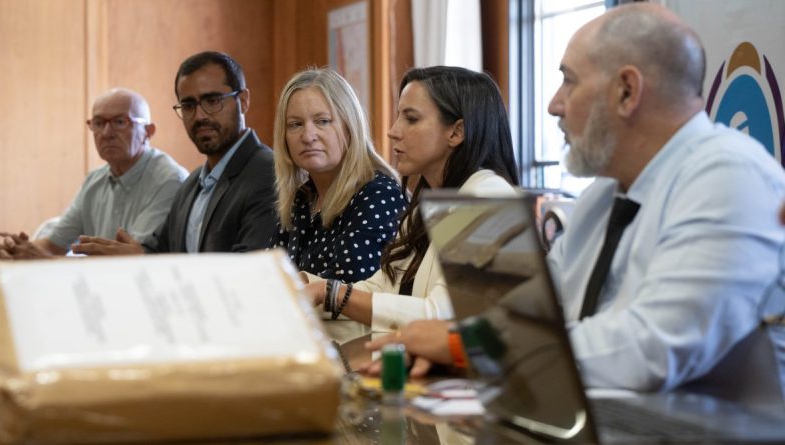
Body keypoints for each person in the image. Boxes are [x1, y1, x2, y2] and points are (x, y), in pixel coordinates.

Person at [366, 3, 785, 403]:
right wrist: (450, 348)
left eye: (570, 81)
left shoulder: (730, 177)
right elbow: (531, 307)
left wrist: (466, 347)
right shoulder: (604, 195)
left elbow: (652, 347)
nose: (554, 105)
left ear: (627, 91)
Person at [302, 66, 519, 341]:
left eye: (411, 119)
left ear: (456, 132)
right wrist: (304, 284)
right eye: (398, 117)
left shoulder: (488, 197)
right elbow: (382, 289)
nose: (393, 131)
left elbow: (443, 318)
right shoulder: (426, 207)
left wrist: (329, 293)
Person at [74, 51, 277, 255]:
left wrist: (142, 260)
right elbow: (162, 254)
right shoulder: (190, 186)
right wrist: (133, 257)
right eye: (188, 105)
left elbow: (250, 269)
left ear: (243, 101)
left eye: (213, 101)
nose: (199, 116)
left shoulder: (269, 173)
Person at [0, 88, 187, 260]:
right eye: (98, 123)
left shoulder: (169, 180)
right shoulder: (94, 181)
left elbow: (128, 261)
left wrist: (43, 260)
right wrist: (18, 252)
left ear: (148, 131)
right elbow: (54, 245)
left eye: (120, 122)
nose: (106, 133)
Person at [272, 68, 406, 281]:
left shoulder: (379, 193)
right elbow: (270, 276)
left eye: (322, 121)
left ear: (349, 126)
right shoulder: (301, 198)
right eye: (295, 124)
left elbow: (347, 287)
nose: (308, 136)